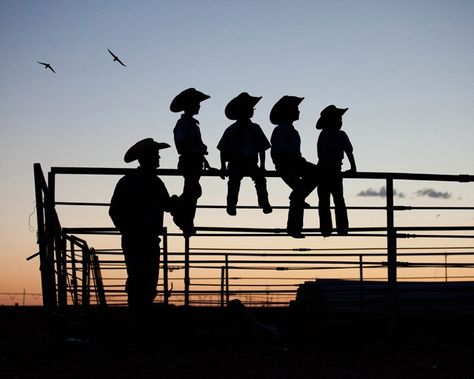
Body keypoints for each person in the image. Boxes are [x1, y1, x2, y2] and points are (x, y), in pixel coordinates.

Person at [109, 138, 171, 337]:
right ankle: (141, 327)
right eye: (156, 154)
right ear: (148, 157)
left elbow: (114, 212)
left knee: (138, 281)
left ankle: (138, 326)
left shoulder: (128, 181)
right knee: (146, 281)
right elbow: (169, 205)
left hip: (135, 238)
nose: (159, 157)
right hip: (146, 239)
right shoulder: (155, 181)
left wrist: (128, 230)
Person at [270, 96, 319, 238]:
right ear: (287, 112)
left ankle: (294, 226)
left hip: (294, 162)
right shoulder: (281, 130)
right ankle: (294, 228)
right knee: (301, 191)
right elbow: (280, 152)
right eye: (296, 109)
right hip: (286, 164)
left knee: (302, 189)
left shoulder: (290, 130)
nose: (298, 111)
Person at [217, 92, 272, 216]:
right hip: (236, 162)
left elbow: (262, 148)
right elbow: (223, 149)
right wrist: (222, 166)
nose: (251, 111)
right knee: (235, 182)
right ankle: (231, 204)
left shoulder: (253, 128)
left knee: (259, 180)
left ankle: (263, 202)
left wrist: (262, 165)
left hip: (250, 163)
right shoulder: (232, 129)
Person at [170, 87, 211, 237]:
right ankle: (183, 218)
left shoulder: (191, 124)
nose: (199, 106)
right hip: (189, 161)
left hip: (194, 161)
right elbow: (182, 145)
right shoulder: (184, 124)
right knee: (193, 191)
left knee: (192, 192)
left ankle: (185, 221)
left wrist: (204, 160)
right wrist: (197, 151)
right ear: (190, 105)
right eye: (197, 103)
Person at [316, 105, 357, 236]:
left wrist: (353, 167)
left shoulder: (325, 135)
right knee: (336, 200)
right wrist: (353, 168)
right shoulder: (339, 135)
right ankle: (341, 228)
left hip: (326, 170)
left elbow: (348, 152)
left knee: (326, 201)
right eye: (338, 119)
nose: (340, 122)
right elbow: (349, 152)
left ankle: (327, 229)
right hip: (332, 171)